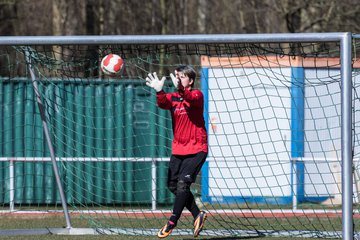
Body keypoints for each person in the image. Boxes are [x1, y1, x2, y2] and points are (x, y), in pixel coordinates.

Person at [145, 65, 208, 238]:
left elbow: (188, 97)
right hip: (178, 149)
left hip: (196, 149)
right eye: (177, 76)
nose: (179, 78)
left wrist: (180, 89)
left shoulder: (196, 95)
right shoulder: (174, 97)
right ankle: (197, 214)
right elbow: (163, 102)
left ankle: (172, 221)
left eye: (182, 76)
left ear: (191, 80)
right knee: (172, 185)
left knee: (182, 184)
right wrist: (159, 90)